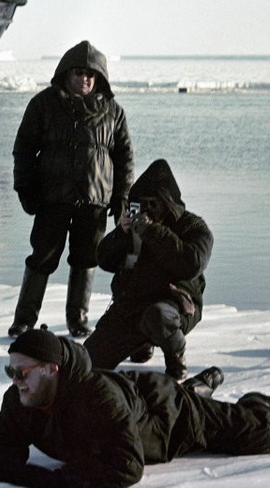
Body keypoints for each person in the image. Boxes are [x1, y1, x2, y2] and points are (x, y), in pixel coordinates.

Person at [0, 328, 270, 488]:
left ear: (52, 370)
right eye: (10, 372)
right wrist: (9, 465)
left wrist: (35, 477)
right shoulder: (20, 398)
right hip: (132, 402)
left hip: (171, 417)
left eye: (22, 372)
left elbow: (125, 468)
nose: (15, 381)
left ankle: (260, 402)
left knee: (264, 436)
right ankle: (200, 386)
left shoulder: (96, 398)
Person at [10, 40, 134, 339]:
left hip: (94, 201)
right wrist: (26, 189)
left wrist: (121, 200)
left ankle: (78, 319)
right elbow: (24, 150)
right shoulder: (44, 104)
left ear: (99, 77)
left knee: (86, 258)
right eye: (79, 73)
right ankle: (24, 320)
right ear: (66, 73)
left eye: (91, 74)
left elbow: (125, 159)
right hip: (52, 198)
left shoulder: (113, 112)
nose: (85, 79)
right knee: (42, 257)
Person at [84, 159, 212, 379]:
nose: (148, 209)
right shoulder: (133, 228)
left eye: (153, 203)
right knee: (88, 361)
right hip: (132, 306)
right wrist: (120, 235)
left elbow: (191, 264)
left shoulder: (193, 227)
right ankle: (139, 344)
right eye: (142, 203)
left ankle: (176, 360)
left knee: (159, 316)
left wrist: (153, 231)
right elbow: (104, 260)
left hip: (176, 306)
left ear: (167, 202)